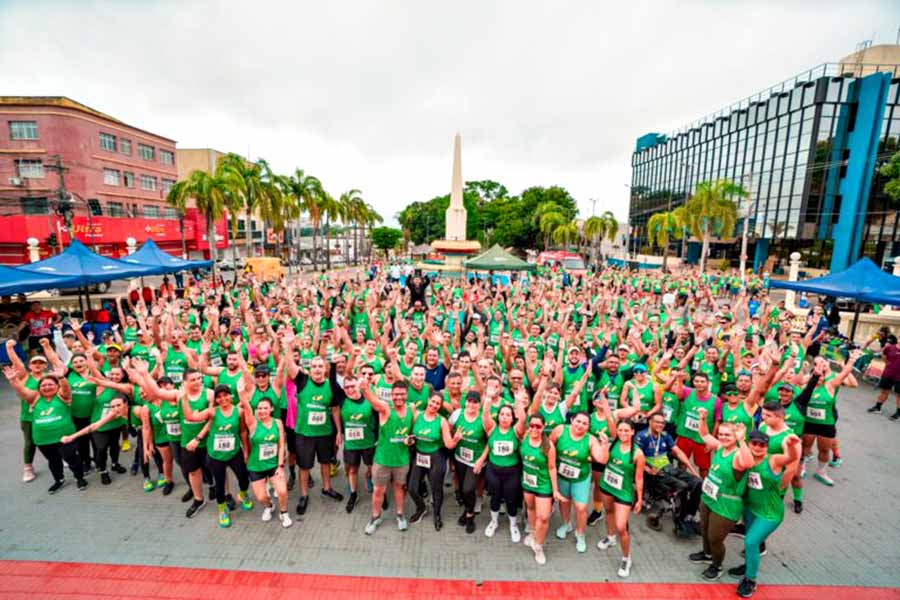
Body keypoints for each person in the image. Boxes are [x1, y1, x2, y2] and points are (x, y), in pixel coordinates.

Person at [728, 430, 802, 598]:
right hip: (750, 508)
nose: (758, 447)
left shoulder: (773, 460)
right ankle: (748, 566)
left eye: (762, 444)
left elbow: (789, 459)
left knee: (751, 542)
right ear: (748, 443)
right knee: (750, 541)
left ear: (767, 447)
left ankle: (750, 580)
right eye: (754, 443)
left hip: (769, 513)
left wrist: (791, 448)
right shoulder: (745, 458)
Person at [3, 366, 88, 493]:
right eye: (43, 385)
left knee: (71, 457)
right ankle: (59, 480)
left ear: (57, 386)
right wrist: (13, 380)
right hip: (43, 439)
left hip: (65, 437)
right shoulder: (35, 398)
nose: (47, 387)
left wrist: (61, 377)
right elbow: (22, 391)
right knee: (53, 461)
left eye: (50, 384)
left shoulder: (62, 396)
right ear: (39, 388)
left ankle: (79, 478)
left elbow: (66, 388)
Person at [689, 414, 753, 580]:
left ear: (735, 436)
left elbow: (748, 463)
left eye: (728, 435)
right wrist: (703, 420)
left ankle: (716, 566)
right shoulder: (720, 447)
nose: (723, 437)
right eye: (721, 434)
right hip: (709, 498)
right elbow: (704, 435)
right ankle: (707, 554)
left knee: (715, 538)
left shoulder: (738, 455)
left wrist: (742, 440)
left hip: (726, 504)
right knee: (704, 529)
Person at [184, 384, 254, 528]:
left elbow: (242, 432)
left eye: (225, 395)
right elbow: (190, 417)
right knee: (220, 484)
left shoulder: (239, 412)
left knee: (243, 477)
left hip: (234, 452)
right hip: (216, 455)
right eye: (219, 397)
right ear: (216, 399)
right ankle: (222, 510)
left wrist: (246, 450)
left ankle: (243, 494)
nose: (223, 399)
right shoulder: (212, 412)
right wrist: (184, 397)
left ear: (230, 396)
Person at [360, 380, 415, 535]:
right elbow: (374, 402)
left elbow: (413, 433)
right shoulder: (385, 408)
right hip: (383, 460)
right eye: (396, 394)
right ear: (391, 395)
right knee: (378, 490)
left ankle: (400, 514)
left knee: (399, 487)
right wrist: (365, 389)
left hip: (401, 459)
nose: (399, 397)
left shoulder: (411, 409)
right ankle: (375, 517)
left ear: (406, 394)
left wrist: (410, 439)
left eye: (402, 394)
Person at [636, 412, 702, 537]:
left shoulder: (665, 435)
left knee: (698, 483)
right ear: (650, 421)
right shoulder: (642, 436)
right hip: (654, 472)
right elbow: (635, 455)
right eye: (657, 422)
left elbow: (678, 452)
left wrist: (692, 470)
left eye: (662, 422)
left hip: (669, 468)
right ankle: (679, 522)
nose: (660, 425)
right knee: (682, 486)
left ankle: (689, 515)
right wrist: (645, 468)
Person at [550, 411, 606, 553]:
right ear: (572, 420)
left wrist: (604, 444)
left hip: (580, 477)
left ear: (588, 427)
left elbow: (601, 459)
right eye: (578, 421)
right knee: (564, 501)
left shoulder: (590, 439)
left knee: (581, 508)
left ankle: (580, 533)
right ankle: (566, 524)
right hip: (562, 475)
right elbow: (549, 446)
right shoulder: (560, 430)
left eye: (585, 423)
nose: (580, 425)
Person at [802, 351, 860, 486]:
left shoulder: (831, 385)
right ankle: (802, 467)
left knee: (824, 450)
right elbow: (796, 380)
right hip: (809, 423)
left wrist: (851, 361)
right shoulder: (806, 387)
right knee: (805, 448)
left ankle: (821, 471)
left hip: (826, 424)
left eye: (822, 376)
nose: (820, 377)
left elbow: (846, 376)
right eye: (816, 376)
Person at [595, 419, 645, 578]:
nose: (623, 433)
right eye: (620, 430)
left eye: (626, 430)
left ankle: (626, 558)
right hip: (607, 485)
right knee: (608, 511)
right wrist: (603, 444)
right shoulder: (611, 443)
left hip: (623, 491)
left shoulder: (638, 454)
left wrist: (639, 499)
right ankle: (610, 538)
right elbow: (603, 458)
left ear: (632, 432)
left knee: (621, 526)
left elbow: (639, 478)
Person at [408, 391, 462, 530]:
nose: (434, 405)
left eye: (438, 403)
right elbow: (410, 434)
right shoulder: (417, 415)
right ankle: (421, 508)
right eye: (432, 401)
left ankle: (437, 515)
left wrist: (455, 439)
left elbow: (449, 444)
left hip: (435, 456)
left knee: (436, 488)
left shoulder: (441, 421)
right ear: (428, 400)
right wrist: (409, 440)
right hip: (419, 455)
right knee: (412, 488)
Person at [478, 393, 528, 543]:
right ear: (498, 416)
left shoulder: (516, 431)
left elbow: (523, 419)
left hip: (512, 471)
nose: (505, 417)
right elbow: (485, 415)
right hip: (493, 470)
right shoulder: (492, 429)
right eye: (502, 414)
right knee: (495, 497)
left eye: (508, 415)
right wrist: (488, 398)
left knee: (510, 499)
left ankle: (513, 525)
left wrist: (518, 401)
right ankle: (494, 522)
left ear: (512, 418)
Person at [239, 394, 292, 528]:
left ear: (271, 409)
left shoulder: (278, 422)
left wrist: (280, 466)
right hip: (256, 466)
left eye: (265, 408)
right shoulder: (253, 423)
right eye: (259, 408)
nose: (262, 411)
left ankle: (284, 512)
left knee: (282, 491)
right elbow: (245, 404)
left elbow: (281, 445)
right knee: (261, 497)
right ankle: (269, 506)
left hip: (273, 465)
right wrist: (241, 391)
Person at [520, 412, 560, 565]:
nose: (534, 428)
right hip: (528, 482)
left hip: (543, 485)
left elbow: (552, 468)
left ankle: (538, 546)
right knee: (530, 509)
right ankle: (532, 532)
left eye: (538, 426)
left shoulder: (548, 446)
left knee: (543, 517)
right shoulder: (524, 438)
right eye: (532, 425)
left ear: (543, 427)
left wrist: (555, 490)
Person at [450, 390, 488, 534]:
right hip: (460, 458)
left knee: (468, 489)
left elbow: (490, 441)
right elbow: (447, 431)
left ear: (479, 404)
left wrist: (481, 460)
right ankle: (467, 510)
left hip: (475, 460)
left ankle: (470, 516)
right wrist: (455, 438)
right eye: (469, 401)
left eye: (475, 402)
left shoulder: (483, 419)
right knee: (461, 488)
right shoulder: (457, 414)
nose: (471, 404)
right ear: (465, 402)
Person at [868, 334, 900, 420]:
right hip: (888, 373)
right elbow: (884, 357)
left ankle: (898, 413)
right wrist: (890, 365)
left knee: (899, 395)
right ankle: (877, 407)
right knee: (884, 391)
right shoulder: (890, 348)